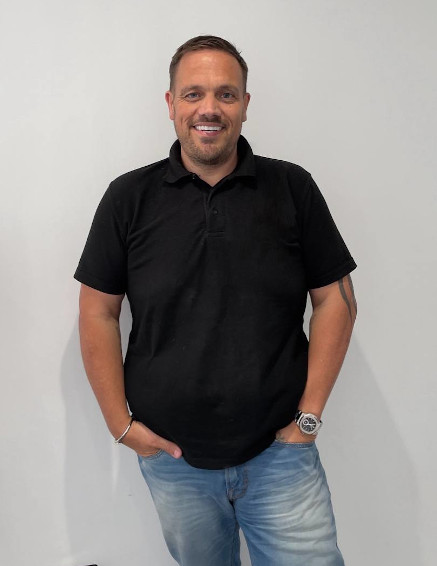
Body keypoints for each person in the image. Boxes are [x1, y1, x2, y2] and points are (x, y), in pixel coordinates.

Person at [75, 35, 357, 566]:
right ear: (170, 103)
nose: (209, 108)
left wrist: (308, 419)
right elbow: (98, 311)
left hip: (281, 457)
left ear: (245, 104)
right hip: (173, 461)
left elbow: (336, 300)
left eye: (226, 94)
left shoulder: (292, 188)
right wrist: (121, 426)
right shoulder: (127, 198)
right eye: (193, 94)